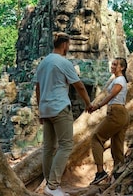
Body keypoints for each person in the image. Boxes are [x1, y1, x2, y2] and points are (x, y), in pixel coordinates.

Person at [35, 32, 92, 196]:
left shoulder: (43, 62)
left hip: (46, 109)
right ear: (65, 44)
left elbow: (38, 88)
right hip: (60, 108)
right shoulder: (63, 62)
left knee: (48, 147)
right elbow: (79, 86)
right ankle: (52, 186)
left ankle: (49, 183)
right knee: (66, 145)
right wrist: (88, 103)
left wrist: (40, 110)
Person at [89, 57, 129, 185]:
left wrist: (97, 106)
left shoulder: (120, 80)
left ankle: (100, 173)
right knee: (117, 146)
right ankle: (119, 174)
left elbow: (112, 95)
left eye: (115, 65)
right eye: (112, 64)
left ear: (122, 67)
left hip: (116, 113)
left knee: (96, 138)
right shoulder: (118, 79)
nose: (112, 66)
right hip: (121, 113)